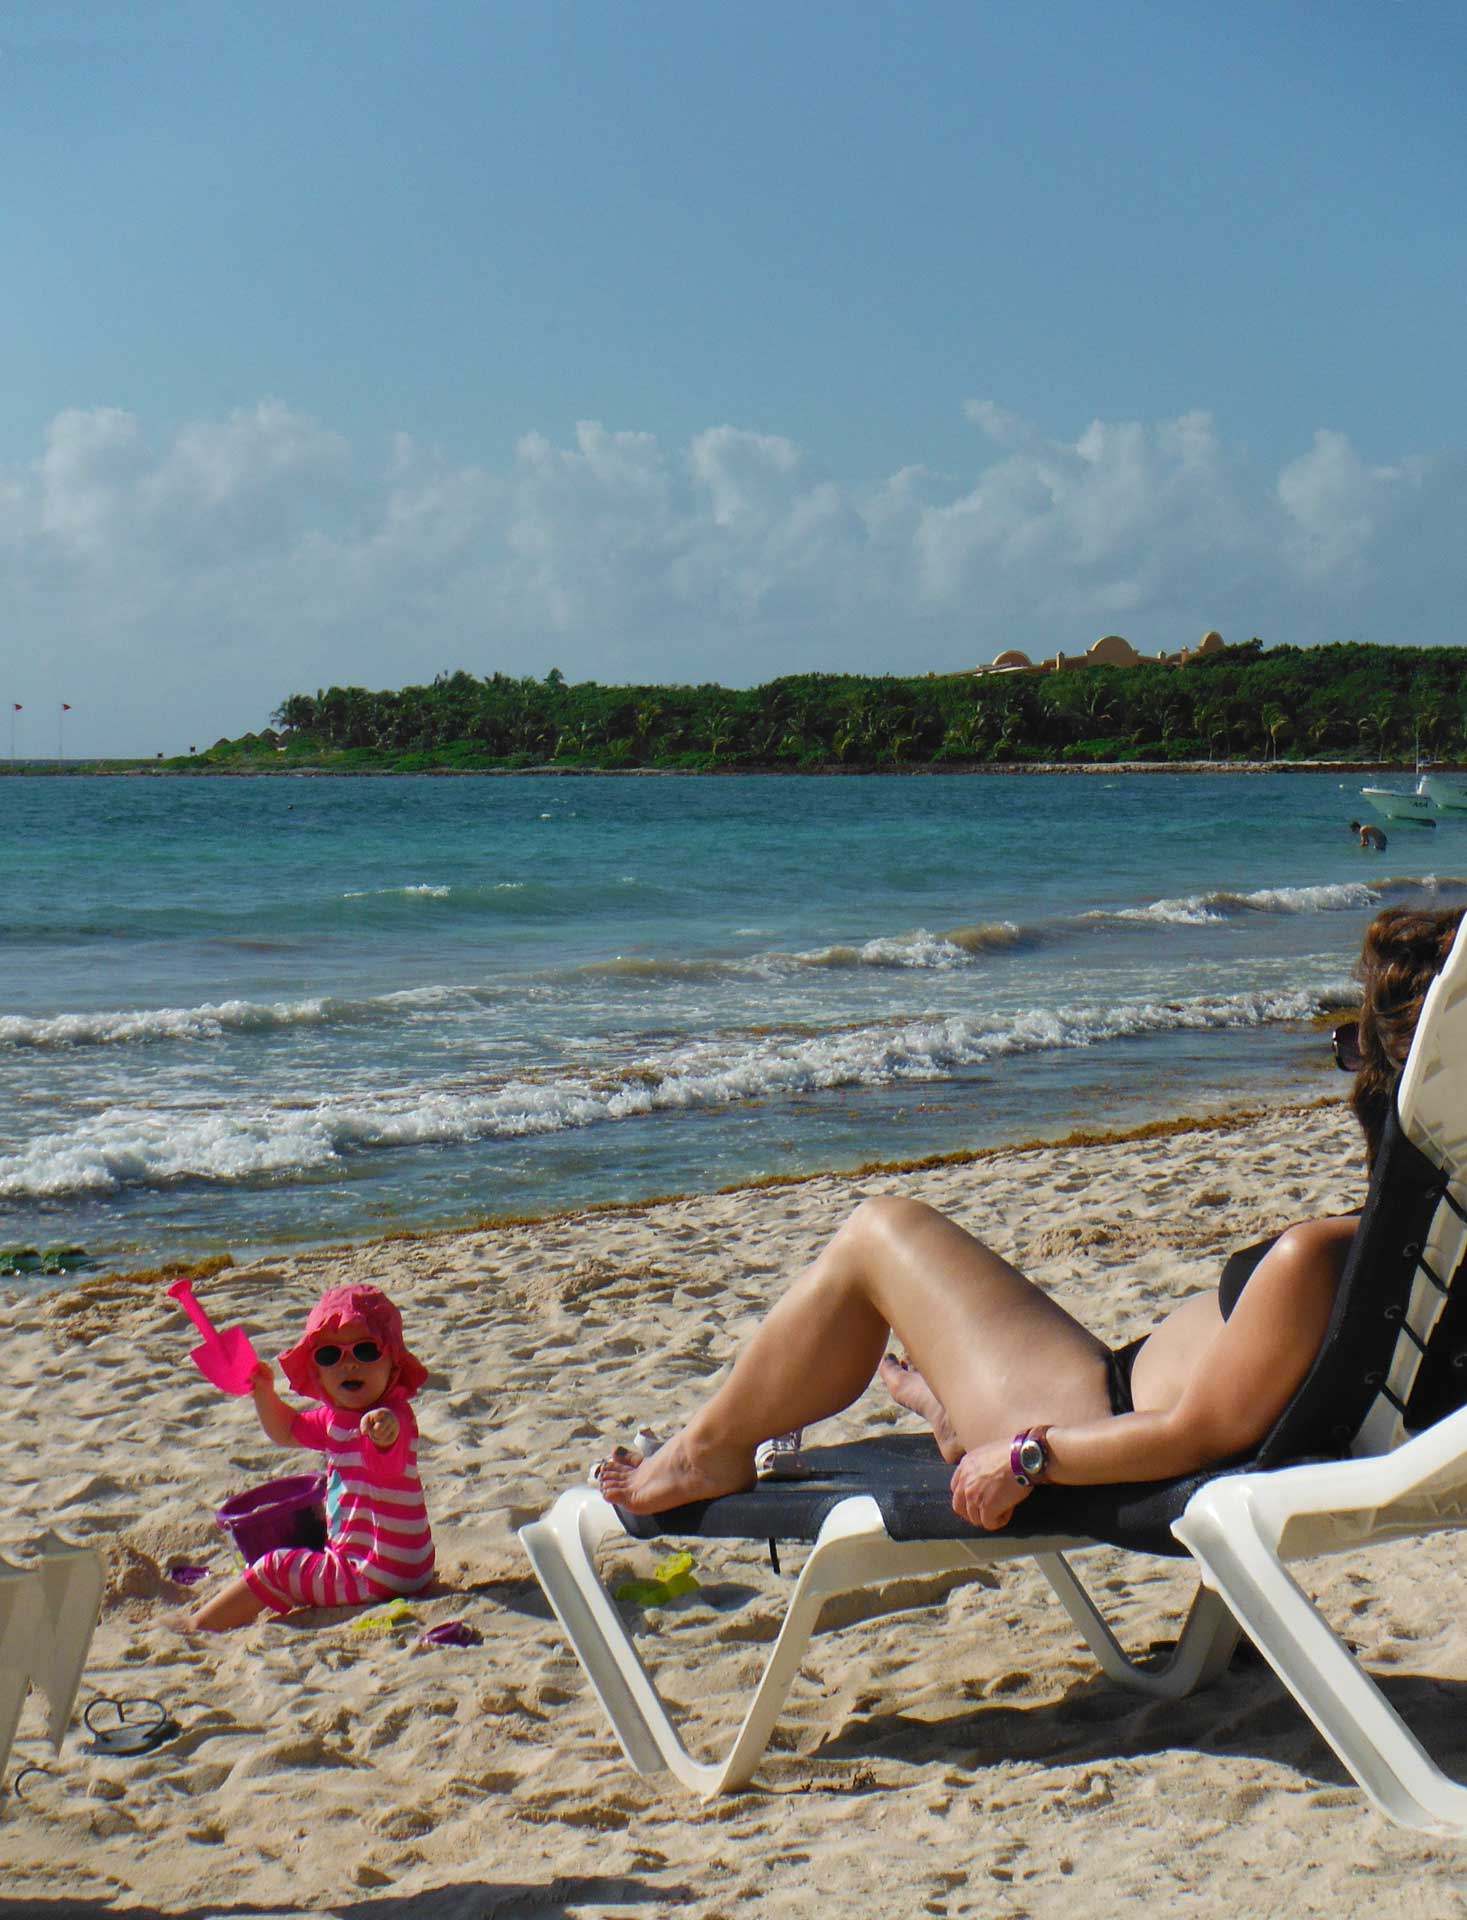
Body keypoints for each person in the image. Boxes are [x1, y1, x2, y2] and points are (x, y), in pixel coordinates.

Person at [597, 906, 1462, 1533]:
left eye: (1352, 1043)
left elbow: (1198, 1433)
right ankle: (948, 1399)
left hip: (1091, 1423)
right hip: (1118, 1400)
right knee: (897, 1252)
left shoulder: (1316, 1258)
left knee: (876, 1229)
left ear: (1386, 1075)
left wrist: (1022, 1458)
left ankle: (707, 1449)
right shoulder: (1433, 1246)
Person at [180, 1284, 434, 1630]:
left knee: (275, 1568)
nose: (348, 1365)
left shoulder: (394, 1417)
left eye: (365, 1350)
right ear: (317, 1371)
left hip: (376, 1573)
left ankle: (195, 1626)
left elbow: (388, 1457)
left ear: (393, 1365)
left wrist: (384, 1433)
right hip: (405, 1565)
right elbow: (286, 1429)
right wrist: (264, 1395)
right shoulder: (334, 1419)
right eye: (330, 1355)